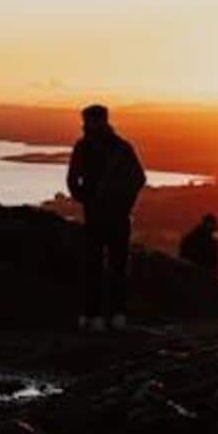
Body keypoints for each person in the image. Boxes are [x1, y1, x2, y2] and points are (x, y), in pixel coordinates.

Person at [66, 104, 146, 331]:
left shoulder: (87, 147)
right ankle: (109, 315)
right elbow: (138, 179)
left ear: (99, 121)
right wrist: (122, 203)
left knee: (101, 265)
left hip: (102, 216)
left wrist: (87, 199)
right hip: (113, 216)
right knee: (111, 265)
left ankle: (100, 315)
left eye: (88, 120)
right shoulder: (120, 147)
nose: (84, 125)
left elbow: (73, 181)